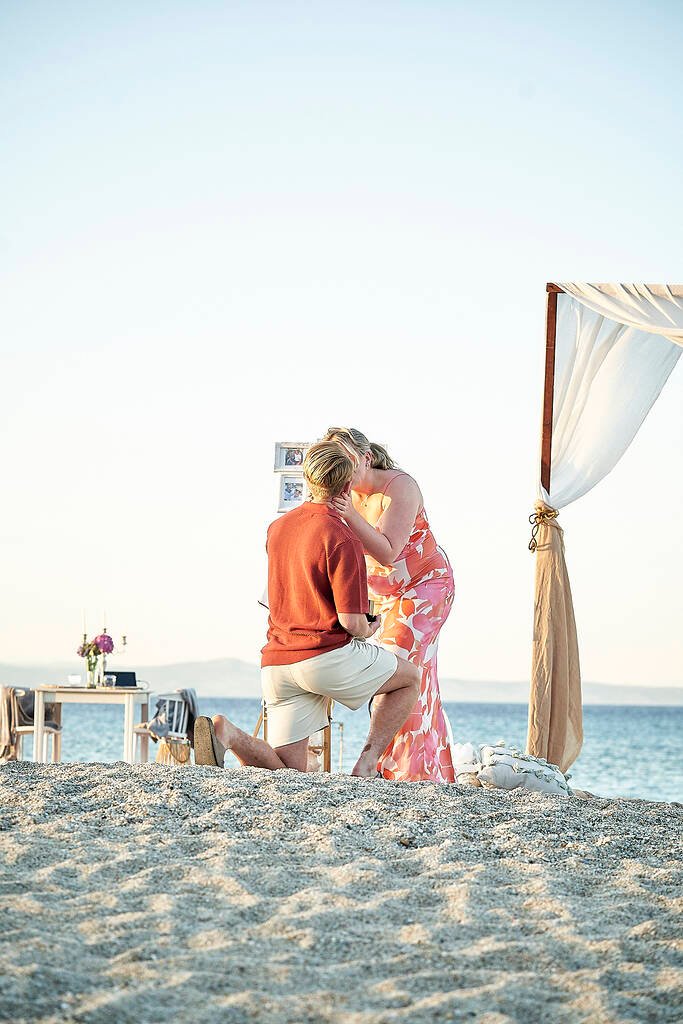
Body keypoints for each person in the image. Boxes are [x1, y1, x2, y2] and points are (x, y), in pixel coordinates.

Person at [194, 440, 419, 775]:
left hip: (277, 664)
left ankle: (226, 733)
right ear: (346, 487)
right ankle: (367, 764)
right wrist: (371, 628)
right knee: (410, 678)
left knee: (289, 772)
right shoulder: (343, 537)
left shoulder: (278, 528)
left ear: (308, 479)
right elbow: (351, 622)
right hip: (325, 659)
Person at [323, 427, 455, 783]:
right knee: (418, 682)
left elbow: (387, 551)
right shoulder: (341, 492)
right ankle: (419, 773)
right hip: (381, 598)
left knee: (397, 669)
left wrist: (349, 514)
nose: (342, 472)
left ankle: (373, 764)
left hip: (424, 589)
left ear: (366, 459)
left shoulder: (400, 487)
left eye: (346, 462)